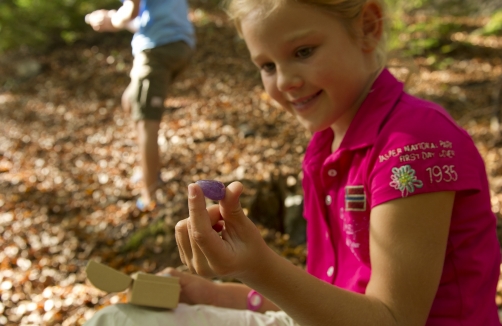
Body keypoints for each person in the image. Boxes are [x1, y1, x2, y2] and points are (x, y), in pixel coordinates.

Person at [84, 0, 502, 325]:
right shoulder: (325, 147)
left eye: (303, 51)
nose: (283, 81)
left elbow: (394, 319)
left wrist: (257, 266)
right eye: (266, 65)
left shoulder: (414, 146)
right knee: (122, 317)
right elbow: (326, 294)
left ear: (368, 27)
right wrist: (215, 292)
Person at [85, 0, 195, 211]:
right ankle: (150, 171)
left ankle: (149, 196)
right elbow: (144, 18)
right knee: (130, 100)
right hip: (181, 44)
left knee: (147, 122)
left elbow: (131, 11)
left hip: (157, 48)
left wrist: (110, 19)